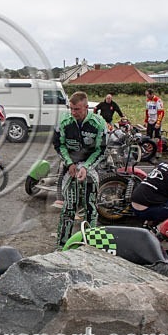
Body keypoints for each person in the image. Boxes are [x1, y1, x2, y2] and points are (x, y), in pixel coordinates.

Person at [54, 91, 107, 249]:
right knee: (69, 206)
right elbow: (58, 145)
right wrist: (69, 163)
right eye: (71, 108)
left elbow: (101, 150)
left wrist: (86, 167)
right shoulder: (64, 120)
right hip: (69, 166)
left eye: (77, 109)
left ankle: (89, 245)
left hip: (90, 167)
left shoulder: (99, 123)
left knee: (90, 206)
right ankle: (61, 245)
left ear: (86, 107)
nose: (73, 112)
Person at [144, 88, 165, 158]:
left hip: (156, 120)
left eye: (148, 95)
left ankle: (159, 151)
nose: (147, 96)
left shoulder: (158, 100)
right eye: (146, 95)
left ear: (152, 94)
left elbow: (161, 112)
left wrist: (158, 122)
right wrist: (146, 121)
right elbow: (147, 112)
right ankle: (149, 150)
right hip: (150, 120)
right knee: (148, 136)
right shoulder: (147, 101)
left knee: (157, 137)